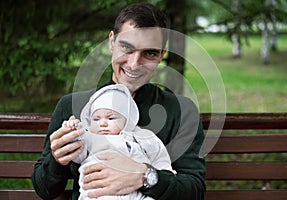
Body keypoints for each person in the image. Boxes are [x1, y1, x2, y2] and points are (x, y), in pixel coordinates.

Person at [32, 2, 206, 200]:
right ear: (112, 42)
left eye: (149, 53)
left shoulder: (181, 110)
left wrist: (145, 176)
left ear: (161, 56)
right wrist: (56, 161)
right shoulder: (72, 106)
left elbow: (194, 191)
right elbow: (45, 189)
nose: (134, 64)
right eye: (126, 48)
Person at [64, 84, 175, 200]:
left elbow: (158, 154)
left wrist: (166, 170)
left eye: (110, 118)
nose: (102, 123)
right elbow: (76, 150)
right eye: (96, 119)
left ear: (126, 120)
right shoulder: (90, 138)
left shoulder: (142, 137)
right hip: (99, 192)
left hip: (136, 192)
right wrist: (73, 130)